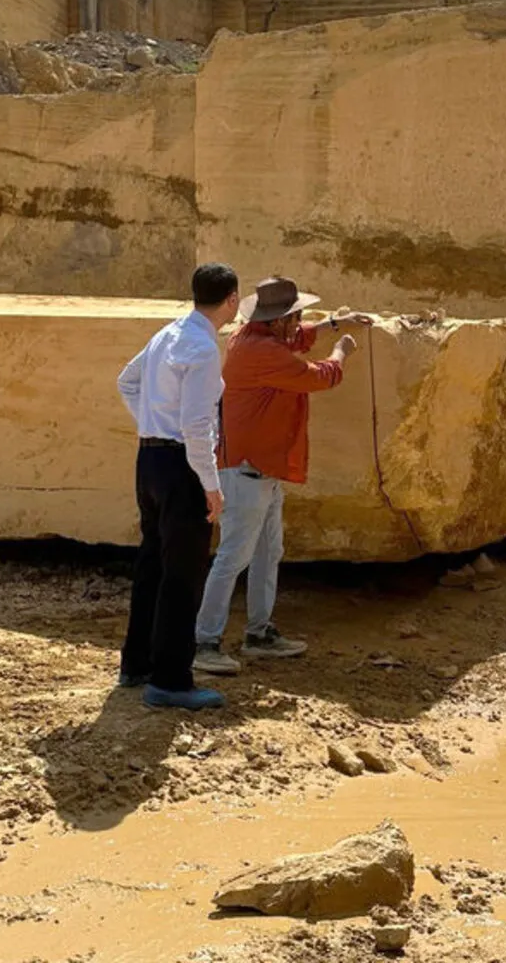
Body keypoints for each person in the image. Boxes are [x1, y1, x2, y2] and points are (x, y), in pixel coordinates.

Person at [193, 275, 367, 675]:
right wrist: (341, 351)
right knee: (233, 557)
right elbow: (318, 376)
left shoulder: (254, 338)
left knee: (268, 553)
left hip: (260, 470)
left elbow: (298, 339)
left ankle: (259, 633)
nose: (298, 323)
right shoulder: (261, 351)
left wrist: (334, 324)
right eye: (293, 317)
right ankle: (204, 642)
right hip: (248, 470)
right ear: (275, 322)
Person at [116, 263, 240, 711]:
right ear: (231, 300)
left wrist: (152, 423)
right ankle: (169, 678)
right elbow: (197, 424)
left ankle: (137, 663)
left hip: (149, 458)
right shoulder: (203, 348)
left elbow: (126, 382)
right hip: (180, 464)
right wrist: (211, 485)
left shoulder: (166, 334)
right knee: (183, 574)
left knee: (152, 561)